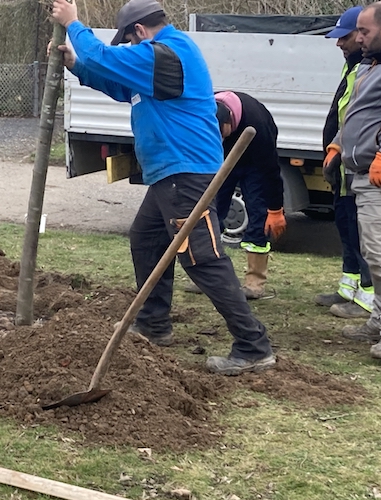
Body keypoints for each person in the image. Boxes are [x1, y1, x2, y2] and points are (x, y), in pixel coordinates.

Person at [50, 0, 275, 375]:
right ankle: (154, 325)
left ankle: (253, 346)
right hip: (168, 174)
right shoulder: (157, 65)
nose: (129, 50)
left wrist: (74, 24)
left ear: (139, 31)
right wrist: (77, 65)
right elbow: (119, 84)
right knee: (146, 239)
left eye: (129, 42)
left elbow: (105, 57)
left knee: (202, 257)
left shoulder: (167, 54)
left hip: (185, 173)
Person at [324, 2, 381, 359]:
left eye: (363, 32)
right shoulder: (375, 62)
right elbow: (361, 111)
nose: (357, 38)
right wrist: (339, 141)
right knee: (375, 251)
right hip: (367, 172)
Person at [315, 6, 374, 320]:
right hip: (341, 163)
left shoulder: (369, 69)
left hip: (355, 162)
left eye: (345, 37)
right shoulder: (352, 66)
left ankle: (367, 298)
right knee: (346, 227)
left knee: (361, 230)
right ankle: (348, 286)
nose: (339, 44)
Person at [213, 91, 286, 299]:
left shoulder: (257, 125)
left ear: (230, 122)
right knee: (211, 211)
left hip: (254, 163)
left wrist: (276, 209)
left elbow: (271, 171)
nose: (220, 138)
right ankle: (210, 277)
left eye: (222, 133)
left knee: (258, 215)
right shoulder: (205, 109)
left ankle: (255, 283)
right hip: (223, 160)